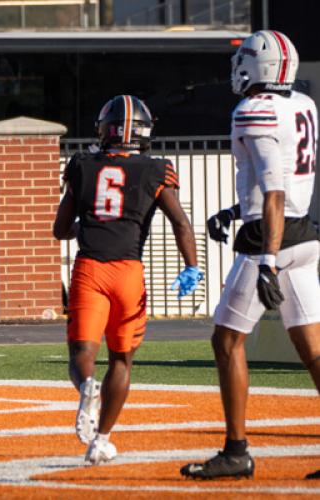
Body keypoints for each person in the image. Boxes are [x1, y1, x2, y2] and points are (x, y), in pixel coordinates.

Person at [181, 30, 320, 480]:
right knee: (313, 349)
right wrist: (236, 209)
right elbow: (283, 184)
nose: (236, 68)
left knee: (226, 341)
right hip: (304, 236)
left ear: (257, 67)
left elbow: (275, 189)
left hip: (271, 241)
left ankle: (236, 450)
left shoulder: (253, 110)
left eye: (242, 59)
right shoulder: (303, 105)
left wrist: (267, 260)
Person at [53, 95, 203, 465]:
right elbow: (180, 222)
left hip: (90, 268)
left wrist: (87, 224)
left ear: (106, 130)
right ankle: (101, 439)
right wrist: (191, 266)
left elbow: (60, 229)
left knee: (82, 353)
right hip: (129, 274)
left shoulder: (82, 165)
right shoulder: (156, 169)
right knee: (121, 360)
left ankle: (87, 388)